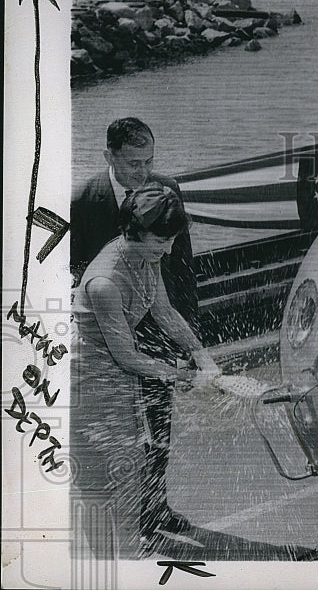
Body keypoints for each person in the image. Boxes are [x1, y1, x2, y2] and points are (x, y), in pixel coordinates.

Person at [70, 118, 200, 550]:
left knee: (154, 435)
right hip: (100, 365)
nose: (142, 172)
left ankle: (149, 512)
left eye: (149, 162)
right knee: (112, 467)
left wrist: (201, 353)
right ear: (109, 157)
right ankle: (113, 551)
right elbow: (124, 356)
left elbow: (165, 305)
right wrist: (178, 371)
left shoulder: (151, 240)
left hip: (140, 344)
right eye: (132, 163)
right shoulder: (102, 262)